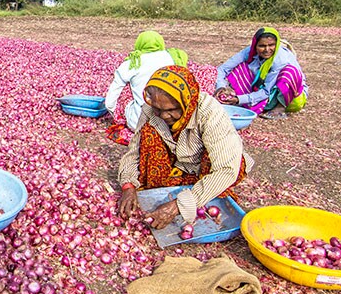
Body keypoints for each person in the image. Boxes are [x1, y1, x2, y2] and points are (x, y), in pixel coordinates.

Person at [118, 65, 253, 229]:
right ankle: (176, 185)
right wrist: (128, 186)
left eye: (171, 110)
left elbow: (226, 169)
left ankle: (200, 193)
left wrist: (177, 206)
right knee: (149, 133)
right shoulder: (150, 109)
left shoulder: (208, 112)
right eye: (158, 109)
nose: (164, 116)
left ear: (186, 102)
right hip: (177, 164)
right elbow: (134, 152)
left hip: (204, 168)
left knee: (225, 164)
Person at [105, 31, 188, 134]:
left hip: (138, 123)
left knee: (126, 94)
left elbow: (109, 102)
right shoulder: (173, 58)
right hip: (171, 121)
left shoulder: (132, 63)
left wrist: (114, 114)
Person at [215, 26, 307, 119]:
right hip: (262, 91)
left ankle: (280, 108)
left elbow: (266, 91)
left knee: (289, 72)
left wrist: (239, 99)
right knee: (240, 66)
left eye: (271, 45)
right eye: (262, 46)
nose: (267, 50)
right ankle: (247, 101)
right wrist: (220, 87)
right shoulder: (249, 51)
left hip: (290, 97)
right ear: (255, 45)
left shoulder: (280, 60)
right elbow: (223, 69)